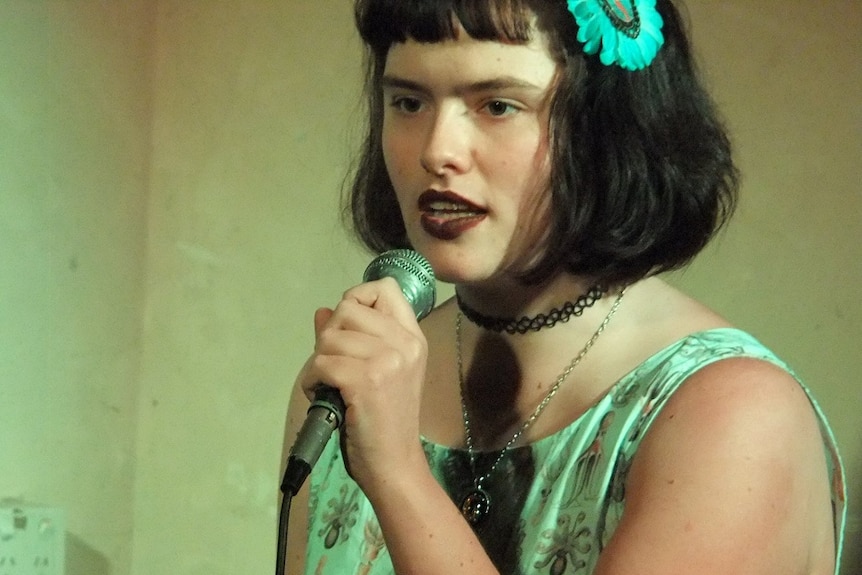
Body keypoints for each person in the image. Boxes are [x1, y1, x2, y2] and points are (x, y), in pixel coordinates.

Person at [281, 0, 846, 573]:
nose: (436, 151)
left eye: (497, 106)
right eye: (408, 102)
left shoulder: (737, 415)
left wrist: (398, 475)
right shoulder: (352, 383)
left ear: (607, 127)